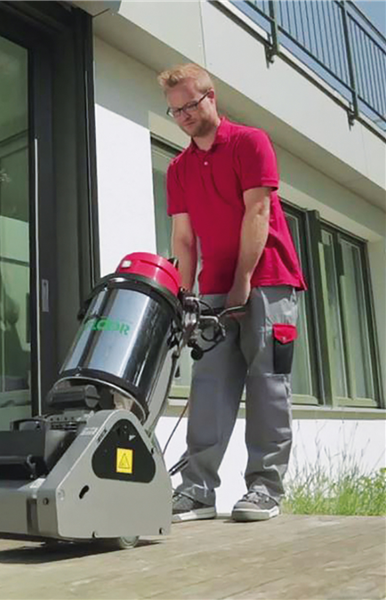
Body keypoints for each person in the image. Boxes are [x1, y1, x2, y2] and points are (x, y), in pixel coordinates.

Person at [158, 63, 306, 522]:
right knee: (209, 387)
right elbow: (184, 239)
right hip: (214, 292)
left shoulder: (250, 142)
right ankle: (197, 490)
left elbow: (258, 213)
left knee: (267, 385)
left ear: (211, 97)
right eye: (175, 110)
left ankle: (265, 489)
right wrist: (184, 298)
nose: (183, 115)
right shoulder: (178, 169)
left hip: (269, 280)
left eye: (189, 104)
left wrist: (243, 280)